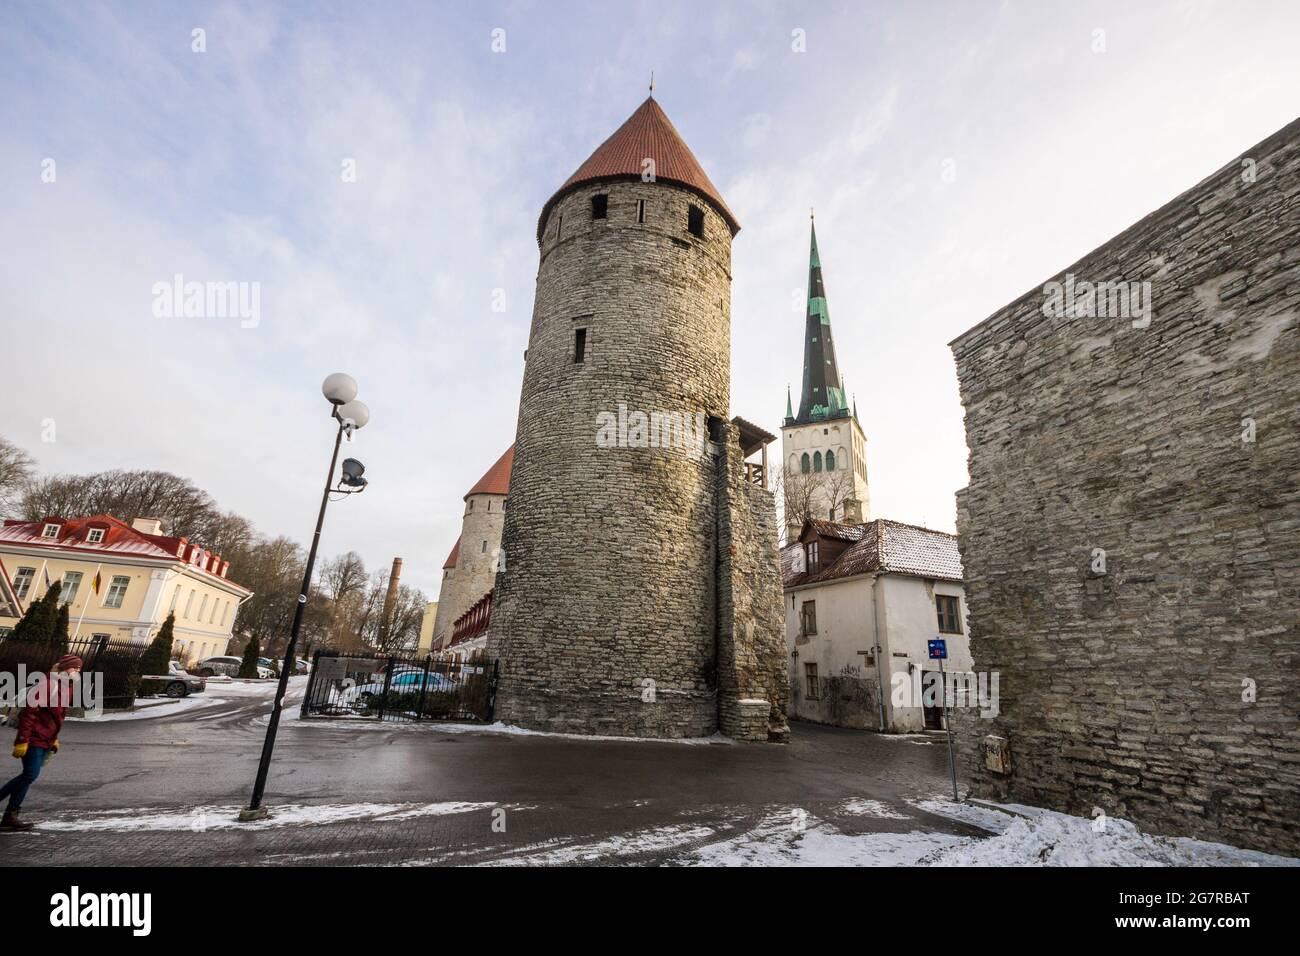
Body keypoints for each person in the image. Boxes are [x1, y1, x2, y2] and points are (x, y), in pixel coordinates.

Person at [0, 654, 82, 832]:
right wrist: (22, 740)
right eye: (74, 668)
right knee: (29, 775)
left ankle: (10, 816)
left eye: (79, 669)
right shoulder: (48, 684)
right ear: (64, 667)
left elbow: (56, 717)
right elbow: (31, 713)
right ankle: (10, 815)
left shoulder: (67, 687)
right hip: (34, 737)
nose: (77, 671)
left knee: (28, 777)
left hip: (46, 738)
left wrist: (55, 738)